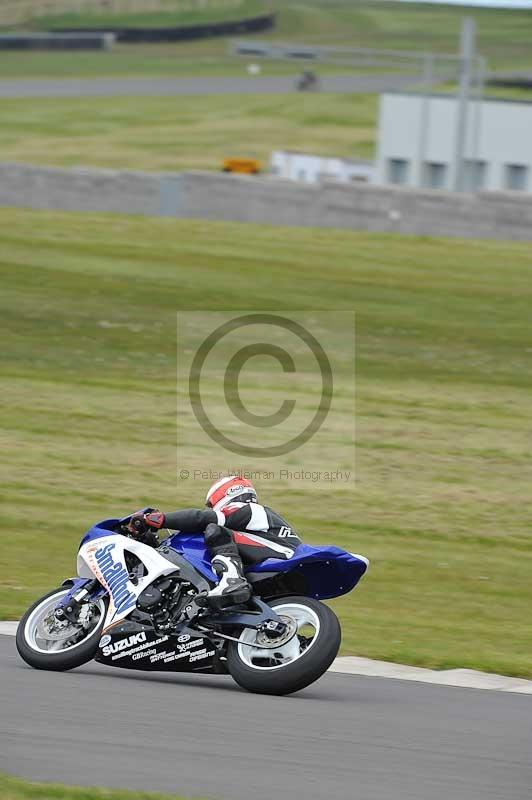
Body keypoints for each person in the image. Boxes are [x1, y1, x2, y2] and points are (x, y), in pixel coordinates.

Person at [127, 476, 301, 606]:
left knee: (215, 531)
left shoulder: (249, 508)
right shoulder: (256, 520)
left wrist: (159, 519)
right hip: (279, 564)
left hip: (280, 555)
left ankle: (232, 582)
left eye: (211, 504)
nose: (211, 508)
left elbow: (202, 518)